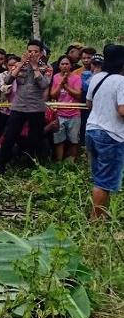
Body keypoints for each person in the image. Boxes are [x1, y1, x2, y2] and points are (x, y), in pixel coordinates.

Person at [0, 40, 51, 174]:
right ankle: (2, 166)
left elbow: (44, 85)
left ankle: (31, 166)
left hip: (36, 108)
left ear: (41, 53)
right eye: (30, 51)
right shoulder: (19, 65)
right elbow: (8, 80)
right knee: (9, 136)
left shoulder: (46, 68)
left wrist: (34, 67)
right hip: (18, 107)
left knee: (35, 138)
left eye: (35, 51)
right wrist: (20, 65)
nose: (32, 53)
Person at [85, 44, 124, 220]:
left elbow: (89, 104)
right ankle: (96, 219)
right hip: (111, 134)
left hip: (92, 130)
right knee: (104, 180)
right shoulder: (121, 81)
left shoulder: (98, 77)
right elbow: (122, 110)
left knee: (99, 177)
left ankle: (100, 214)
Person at [50, 56, 83, 161]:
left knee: (74, 140)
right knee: (59, 140)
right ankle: (59, 163)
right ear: (59, 65)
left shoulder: (76, 78)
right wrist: (60, 84)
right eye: (62, 64)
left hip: (74, 113)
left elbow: (78, 94)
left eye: (67, 64)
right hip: (59, 114)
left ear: (71, 65)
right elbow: (53, 95)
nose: (64, 66)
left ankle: (72, 163)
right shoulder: (55, 77)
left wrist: (66, 86)